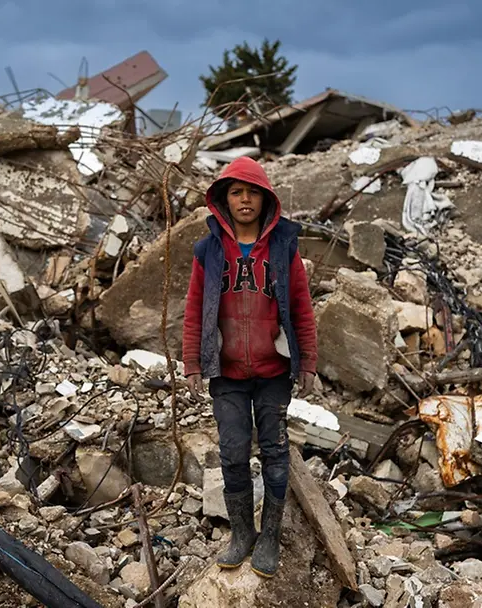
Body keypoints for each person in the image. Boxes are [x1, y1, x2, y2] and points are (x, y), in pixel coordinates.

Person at [182, 157, 318, 578]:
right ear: (223, 200)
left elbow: (301, 306)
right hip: (226, 374)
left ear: (266, 199)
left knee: (275, 452)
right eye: (236, 192)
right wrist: (192, 363)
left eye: (253, 192)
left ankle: (270, 536)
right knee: (233, 452)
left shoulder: (283, 247)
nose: (245, 200)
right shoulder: (208, 250)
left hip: (273, 370)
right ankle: (242, 534)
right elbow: (194, 309)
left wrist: (308, 361)